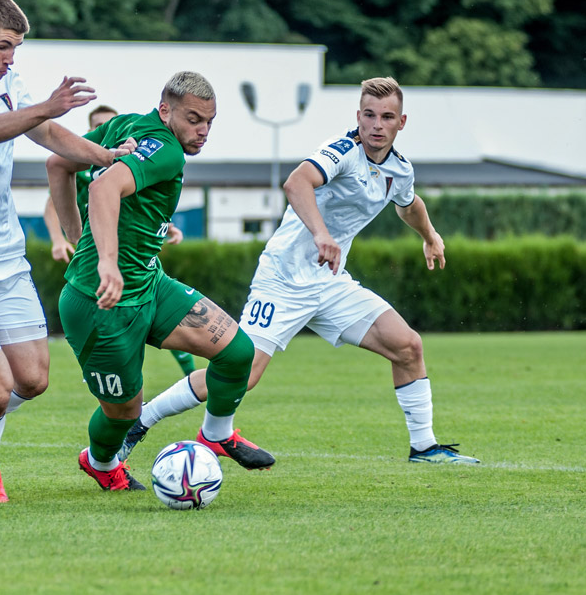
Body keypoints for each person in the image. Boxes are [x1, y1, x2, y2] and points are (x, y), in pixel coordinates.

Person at [120, 77, 479, 465]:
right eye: (370, 115)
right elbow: (296, 182)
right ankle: (142, 420)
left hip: (330, 282)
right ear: (358, 117)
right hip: (284, 279)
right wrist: (321, 234)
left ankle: (424, 448)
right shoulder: (342, 151)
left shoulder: (399, 169)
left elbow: (408, 205)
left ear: (401, 122)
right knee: (244, 372)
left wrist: (430, 235)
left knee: (408, 346)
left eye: (387, 117)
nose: (377, 124)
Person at [0, 0, 136, 503]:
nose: (10, 59)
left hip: (5, 259)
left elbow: (50, 133)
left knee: (32, 380)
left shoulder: (8, 82)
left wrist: (105, 155)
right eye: (3, 46)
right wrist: (43, 108)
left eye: (15, 49)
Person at [47, 71, 274, 492]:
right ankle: (99, 462)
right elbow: (101, 191)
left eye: (209, 121)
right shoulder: (166, 150)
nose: (202, 131)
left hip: (151, 285)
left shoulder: (124, 124)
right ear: (166, 109)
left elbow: (58, 164)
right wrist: (106, 263)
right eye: (193, 119)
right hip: (101, 304)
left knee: (238, 352)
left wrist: (75, 235)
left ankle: (218, 434)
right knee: (124, 413)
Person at [43, 104, 197, 377]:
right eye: (97, 125)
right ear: (91, 130)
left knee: (162, 312)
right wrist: (65, 239)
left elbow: (140, 207)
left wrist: (167, 226)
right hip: (97, 258)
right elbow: (52, 204)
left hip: (129, 256)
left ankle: (184, 373)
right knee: (103, 312)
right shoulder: (80, 170)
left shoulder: (130, 162)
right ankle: (112, 382)